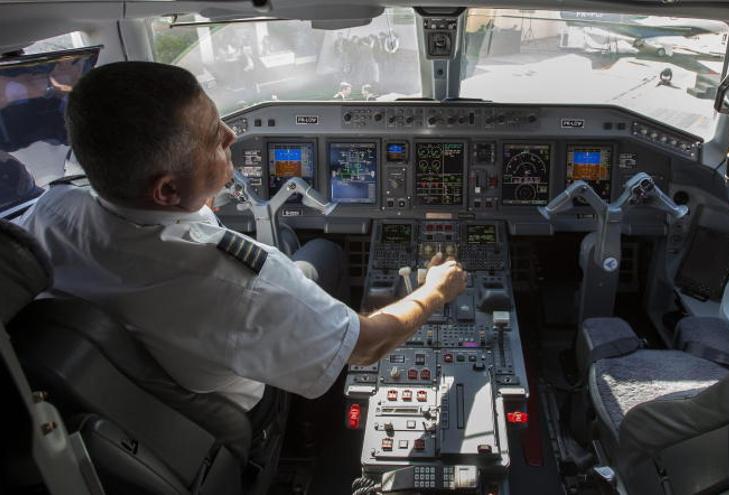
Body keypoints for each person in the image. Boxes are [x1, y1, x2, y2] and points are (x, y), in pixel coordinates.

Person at [17, 61, 467, 413]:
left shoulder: (53, 210)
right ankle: (314, 419)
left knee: (291, 244)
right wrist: (432, 293)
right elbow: (369, 344)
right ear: (167, 190)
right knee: (324, 253)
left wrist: (193, 204)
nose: (234, 135)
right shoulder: (242, 284)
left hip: (134, 389)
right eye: (215, 138)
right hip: (221, 412)